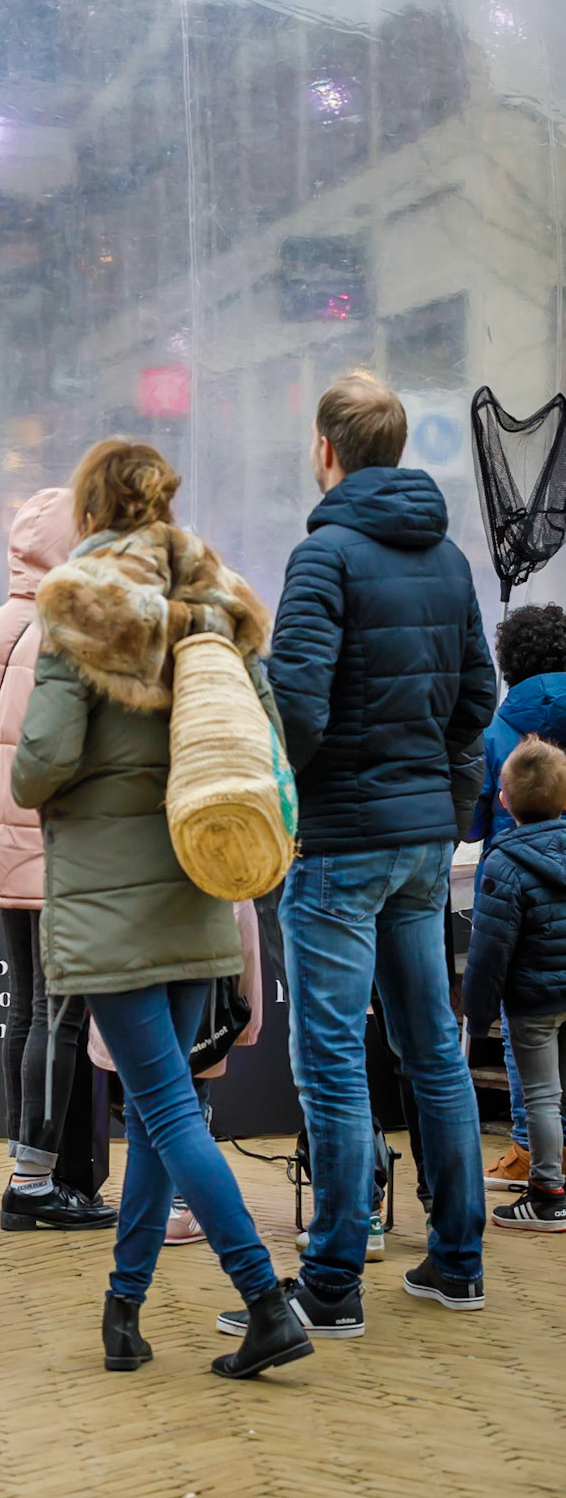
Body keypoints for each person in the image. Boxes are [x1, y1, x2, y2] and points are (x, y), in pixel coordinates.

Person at [11, 437, 312, 1382]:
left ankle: (265, 1299)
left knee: (164, 1108)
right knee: (154, 1109)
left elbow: (39, 765)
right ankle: (123, 1308)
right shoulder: (217, 602)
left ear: (92, 511)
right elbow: (268, 738)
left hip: (110, 905)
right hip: (199, 883)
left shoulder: (78, 609)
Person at [266, 371, 496, 1339]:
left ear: (328, 449)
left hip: (343, 845)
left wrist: (287, 792)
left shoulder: (325, 557)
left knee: (332, 1062)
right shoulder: (446, 557)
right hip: (419, 845)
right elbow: (479, 696)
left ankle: (330, 1282)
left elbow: (300, 708)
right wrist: (442, 798)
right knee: (434, 1050)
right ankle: (457, 1261)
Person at [0, 485, 116, 1232]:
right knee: (60, 1014)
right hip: (52, 853)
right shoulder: (64, 632)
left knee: (26, 1008)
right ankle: (33, 1182)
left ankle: (26, 1165)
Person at [88, 902, 266, 1248]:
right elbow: (240, 925)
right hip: (196, 1002)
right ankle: (185, 1209)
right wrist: (246, 1012)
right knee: (187, 1107)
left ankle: (149, 1217)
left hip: (127, 995)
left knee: (143, 1109)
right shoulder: (212, 853)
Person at [469, 602, 566, 1188]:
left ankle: (532, 1153)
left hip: (516, 885)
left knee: (525, 1025)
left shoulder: (496, 728)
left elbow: (476, 818)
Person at [463, 735, 566, 1233]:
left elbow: (488, 953)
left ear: (502, 801)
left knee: (543, 1097)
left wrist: (478, 1016)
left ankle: (547, 1196)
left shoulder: (503, 865)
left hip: (533, 1001)